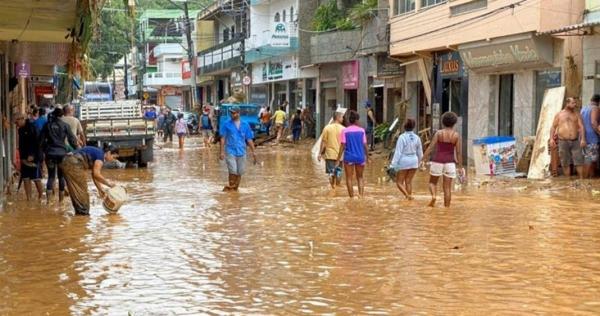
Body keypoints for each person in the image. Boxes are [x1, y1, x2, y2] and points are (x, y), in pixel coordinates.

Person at [61, 144, 118, 215]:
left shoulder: (98, 152)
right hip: (74, 163)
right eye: (114, 157)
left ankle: (78, 218)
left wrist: (100, 189)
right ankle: (82, 218)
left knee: (77, 192)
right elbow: (96, 174)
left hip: (67, 161)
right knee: (82, 196)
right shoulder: (100, 156)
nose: (113, 160)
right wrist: (108, 184)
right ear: (109, 153)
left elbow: (94, 175)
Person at [422, 112, 464, 208]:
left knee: (432, 183)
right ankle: (447, 210)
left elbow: (431, 148)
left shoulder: (439, 133)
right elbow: (458, 153)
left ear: (443, 122)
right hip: (450, 163)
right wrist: (460, 167)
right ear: (454, 123)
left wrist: (423, 159)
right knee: (447, 188)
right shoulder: (456, 136)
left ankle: (433, 196)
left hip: (437, 161)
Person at [40, 107, 79, 203]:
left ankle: (49, 202)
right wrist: (76, 150)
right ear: (62, 116)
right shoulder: (65, 125)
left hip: (50, 154)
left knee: (51, 176)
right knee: (61, 177)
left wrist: (45, 150)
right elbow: (72, 140)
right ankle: (61, 202)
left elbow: (40, 141)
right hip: (62, 154)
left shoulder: (47, 125)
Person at [219, 106, 257, 192]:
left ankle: (234, 189)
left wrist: (254, 152)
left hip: (242, 151)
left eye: (234, 113)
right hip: (230, 150)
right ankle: (231, 190)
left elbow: (249, 139)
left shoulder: (245, 124)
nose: (232, 114)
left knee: (240, 172)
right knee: (233, 171)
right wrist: (221, 152)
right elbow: (223, 138)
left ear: (238, 113)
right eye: (231, 113)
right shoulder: (226, 124)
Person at [335, 110, 369, 198]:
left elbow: (342, 146)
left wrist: (338, 160)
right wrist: (368, 157)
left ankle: (351, 198)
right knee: (360, 177)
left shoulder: (345, 131)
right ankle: (361, 196)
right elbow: (365, 145)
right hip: (360, 157)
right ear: (357, 120)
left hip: (349, 157)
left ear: (349, 120)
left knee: (349, 178)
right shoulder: (362, 131)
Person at [550, 97, 586, 178]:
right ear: (567, 103)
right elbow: (553, 127)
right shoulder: (559, 114)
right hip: (563, 141)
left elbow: (581, 127)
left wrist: (583, 139)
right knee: (565, 162)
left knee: (579, 160)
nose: (575, 104)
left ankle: (581, 179)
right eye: (573, 103)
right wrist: (551, 139)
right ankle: (567, 180)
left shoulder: (577, 114)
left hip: (575, 141)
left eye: (575, 103)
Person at [390, 118, 423, 200]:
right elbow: (420, 152)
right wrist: (420, 163)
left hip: (404, 161)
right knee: (408, 181)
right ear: (413, 127)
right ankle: (408, 198)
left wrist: (393, 165)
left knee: (399, 182)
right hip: (414, 162)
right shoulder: (417, 138)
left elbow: (398, 152)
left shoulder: (402, 137)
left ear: (404, 126)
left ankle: (408, 196)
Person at [15, 113, 43, 200]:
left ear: (22, 118)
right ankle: (29, 198)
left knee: (36, 178)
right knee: (25, 178)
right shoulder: (20, 129)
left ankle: (41, 197)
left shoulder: (32, 126)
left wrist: (32, 155)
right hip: (24, 157)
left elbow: (37, 142)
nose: (16, 124)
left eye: (17, 121)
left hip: (33, 157)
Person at [318, 111, 345, 189]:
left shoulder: (327, 128)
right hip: (340, 156)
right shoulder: (344, 129)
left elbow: (324, 142)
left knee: (331, 173)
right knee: (339, 173)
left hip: (329, 155)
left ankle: (332, 188)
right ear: (338, 117)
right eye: (342, 117)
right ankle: (337, 187)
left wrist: (320, 153)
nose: (343, 119)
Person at [580, 94, 600, 178]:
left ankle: (588, 179)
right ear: (598, 102)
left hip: (583, 138)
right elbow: (593, 123)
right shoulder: (595, 109)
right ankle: (586, 179)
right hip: (592, 138)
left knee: (588, 158)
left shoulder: (583, 109)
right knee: (591, 160)